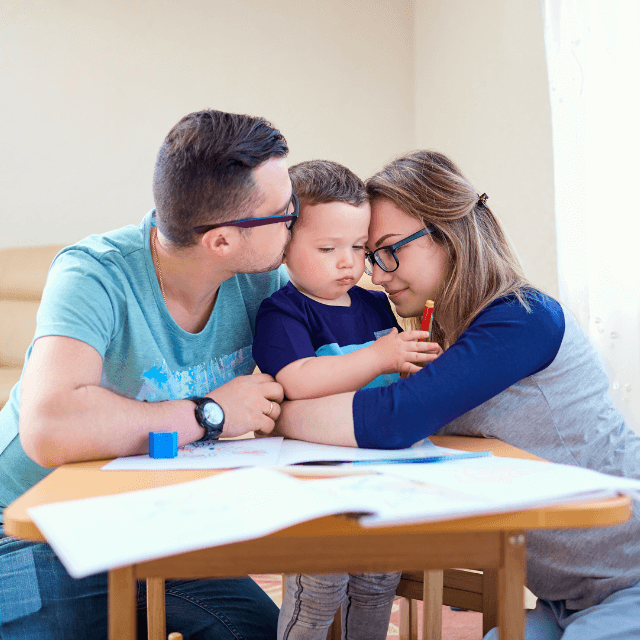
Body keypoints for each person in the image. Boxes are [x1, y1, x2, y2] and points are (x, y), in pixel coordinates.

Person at [275, 150, 640, 640]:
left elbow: (392, 420)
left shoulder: (523, 318)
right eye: (370, 255)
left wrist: (280, 412)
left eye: (385, 251)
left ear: (445, 234)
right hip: (569, 598)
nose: (376, 275)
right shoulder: (448, 335)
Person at [0, 109, 296, 639]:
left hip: (153, 523)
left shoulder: (262, 282)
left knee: (260, 631)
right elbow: (49, 428)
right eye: (283, 211)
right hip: (30, 525)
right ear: (222, 241)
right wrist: (211, 413)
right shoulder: (94, 273)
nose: (293, 220)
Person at [252, 159, 438, 640]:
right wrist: (380, 356)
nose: (349, 263)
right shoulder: (282, 310)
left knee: (379, 582)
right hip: (318, 473)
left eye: (358, 247)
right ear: (284, 245)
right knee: (319, 586)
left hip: (383, 466)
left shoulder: (377, 304)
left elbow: (398, 369)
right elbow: (298, 381)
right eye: (328, 248)